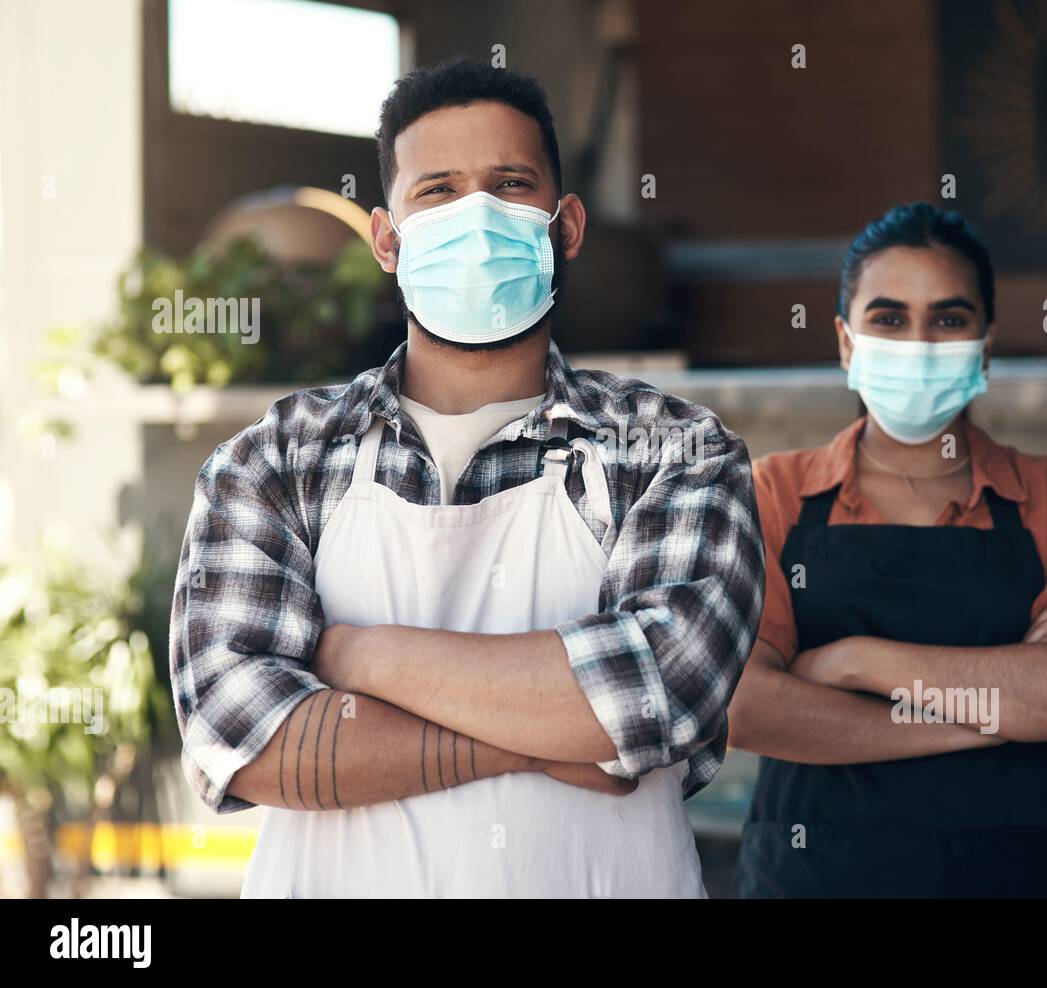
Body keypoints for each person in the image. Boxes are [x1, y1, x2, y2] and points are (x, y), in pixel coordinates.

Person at [168, 57, 763, 898]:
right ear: (386, 238)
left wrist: (353, 655)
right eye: (438, 191)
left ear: (567, 227)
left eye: (510, 185)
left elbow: (655, 697)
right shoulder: (276, 459)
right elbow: (243, 738)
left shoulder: (671, 451)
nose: (476, 216)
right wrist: (534, 736)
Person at [728, 201, 1047, 898]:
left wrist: (850, 661)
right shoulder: (772, 492)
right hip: (814, 879)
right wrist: (988, 721)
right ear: (845, 343)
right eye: (889, 318)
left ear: (983, 348)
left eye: (948, 320)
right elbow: (743, 709)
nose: (918, 345)